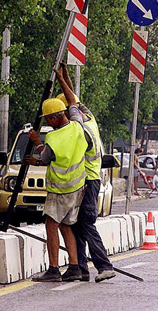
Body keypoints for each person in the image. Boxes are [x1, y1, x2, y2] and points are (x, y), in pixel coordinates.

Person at [54, 64, 115, 283]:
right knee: (76, 224)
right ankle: (79, 268)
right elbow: (74, 100)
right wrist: (65, 77)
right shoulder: (89, 118)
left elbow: (71, 102)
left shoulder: (79, 129)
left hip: (88, 182)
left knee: (86, 223)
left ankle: (103, 265)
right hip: (88, 181)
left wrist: (61, 78)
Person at [24, 97, 87, 282]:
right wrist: (62, 75)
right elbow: (74, 104)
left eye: (48, 120)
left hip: (60, 188)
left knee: (51, 225)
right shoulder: (77, 125)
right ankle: (74, 267)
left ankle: (53, 269)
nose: (48, 124)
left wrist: (37, 141)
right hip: (77, 188)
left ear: (54, 118)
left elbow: (45, 158)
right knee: (66, 225)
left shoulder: (53, 138)